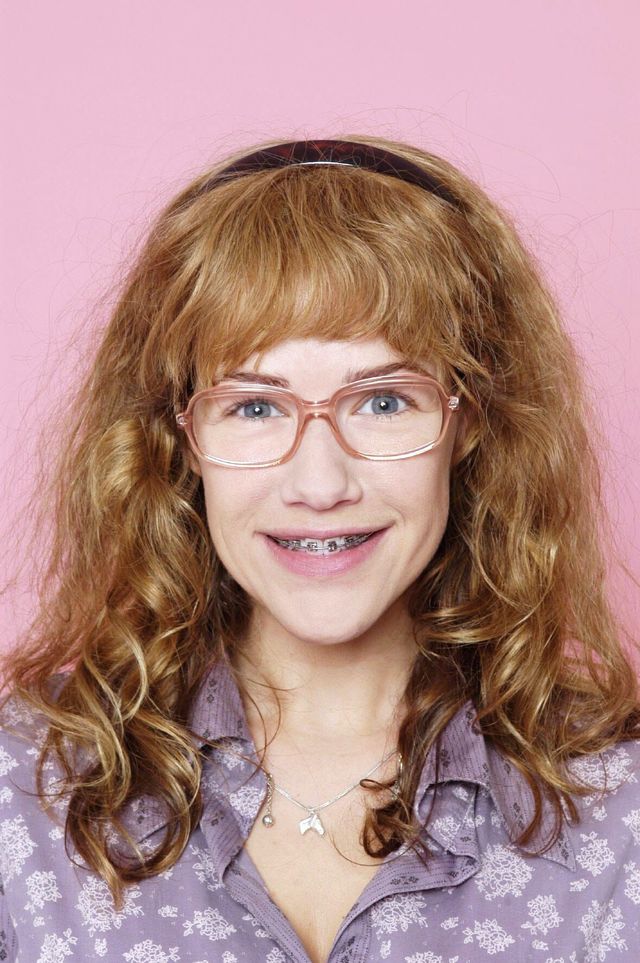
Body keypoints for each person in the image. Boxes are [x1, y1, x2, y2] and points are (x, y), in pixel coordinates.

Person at [0, 136, 639, 963]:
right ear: (180, 437)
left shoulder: (620, 811)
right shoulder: (23, 792)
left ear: (469, 423)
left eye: (383, 400)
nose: (320, 482)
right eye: (254, 406)